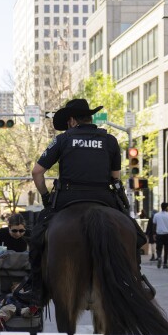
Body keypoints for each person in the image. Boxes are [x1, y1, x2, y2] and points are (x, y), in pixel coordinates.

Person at [18, 98, 141, 305]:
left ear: (72, 120)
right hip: (104, 198)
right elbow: (115, 177)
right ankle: (136, 281)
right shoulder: (110, 140)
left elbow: (37, 172)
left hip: (68, 197)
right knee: (134, 234)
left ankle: (36, 287)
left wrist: (47, 197)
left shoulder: (63, 139)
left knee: (38, 237)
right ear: (90, 118)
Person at [152, 202, 168, 269]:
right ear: (167, 207)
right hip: (167, 234)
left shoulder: (156, 215)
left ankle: (159, 257)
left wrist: (154, 234)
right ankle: (165, 263)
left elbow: (154, 225)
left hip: (159, 234)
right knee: (166, 249)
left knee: (159, 248)